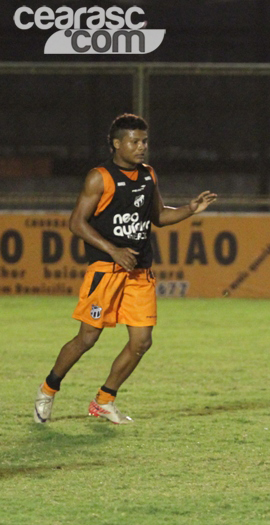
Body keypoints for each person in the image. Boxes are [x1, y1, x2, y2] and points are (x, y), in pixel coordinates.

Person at [34, 114, 217, 424]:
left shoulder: (148, 175)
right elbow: (76, 223)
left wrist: (189, 209)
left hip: (139, 271)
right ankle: (48, 389)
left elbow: (158, 215)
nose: (141, 147)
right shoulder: (99, 177)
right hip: (106, 270)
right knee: (88, 339)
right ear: (117, 144)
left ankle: (104, 400)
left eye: (144, 141)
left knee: (142, 342)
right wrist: (113, 250)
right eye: (134, 141)